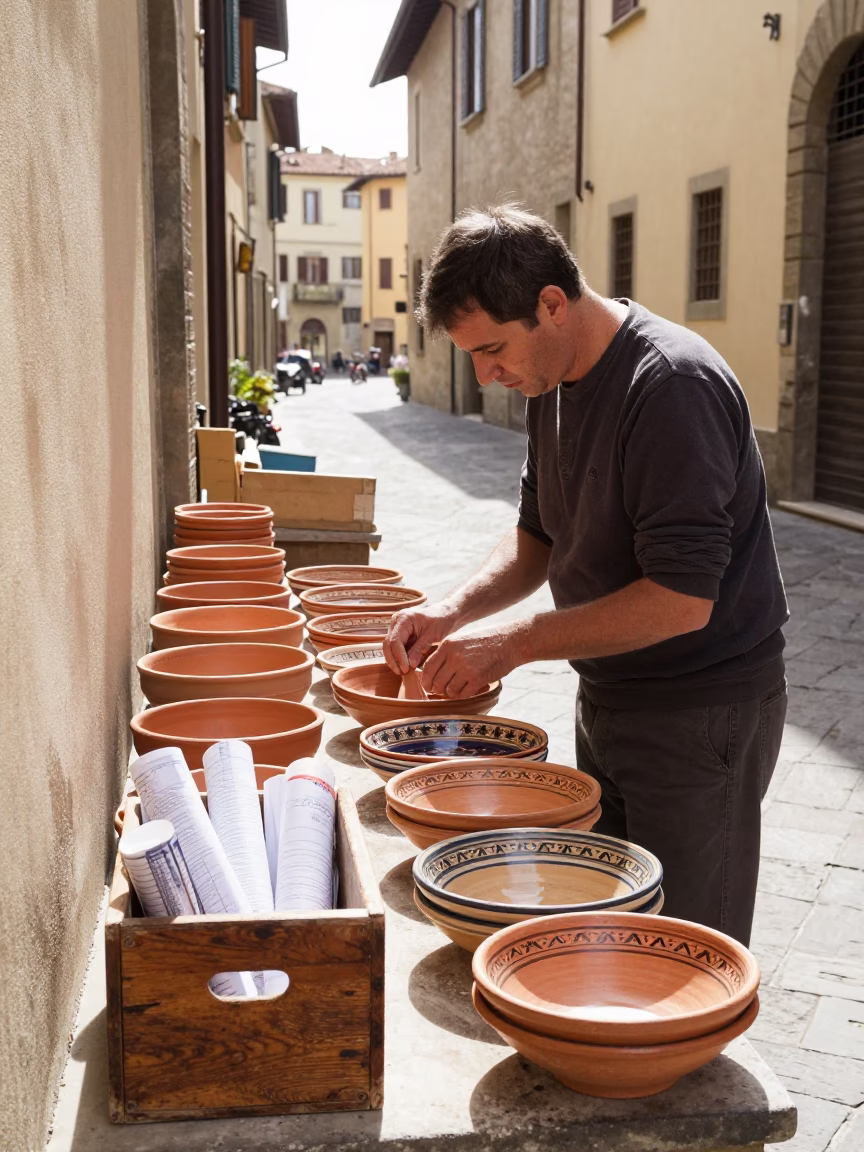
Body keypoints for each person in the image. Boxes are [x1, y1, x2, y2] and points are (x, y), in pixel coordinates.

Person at [383, 204, 788, 946]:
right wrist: (453, 612)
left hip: (700, 716)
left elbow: (681, 600)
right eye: (472, 356)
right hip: (609, 697)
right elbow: (537, 538)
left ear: (552, 303)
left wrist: (510, 645)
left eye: (493, 349)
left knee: (688, 952)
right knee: (618, 928)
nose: (487, 374)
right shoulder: (553, 379)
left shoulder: (671, 387)